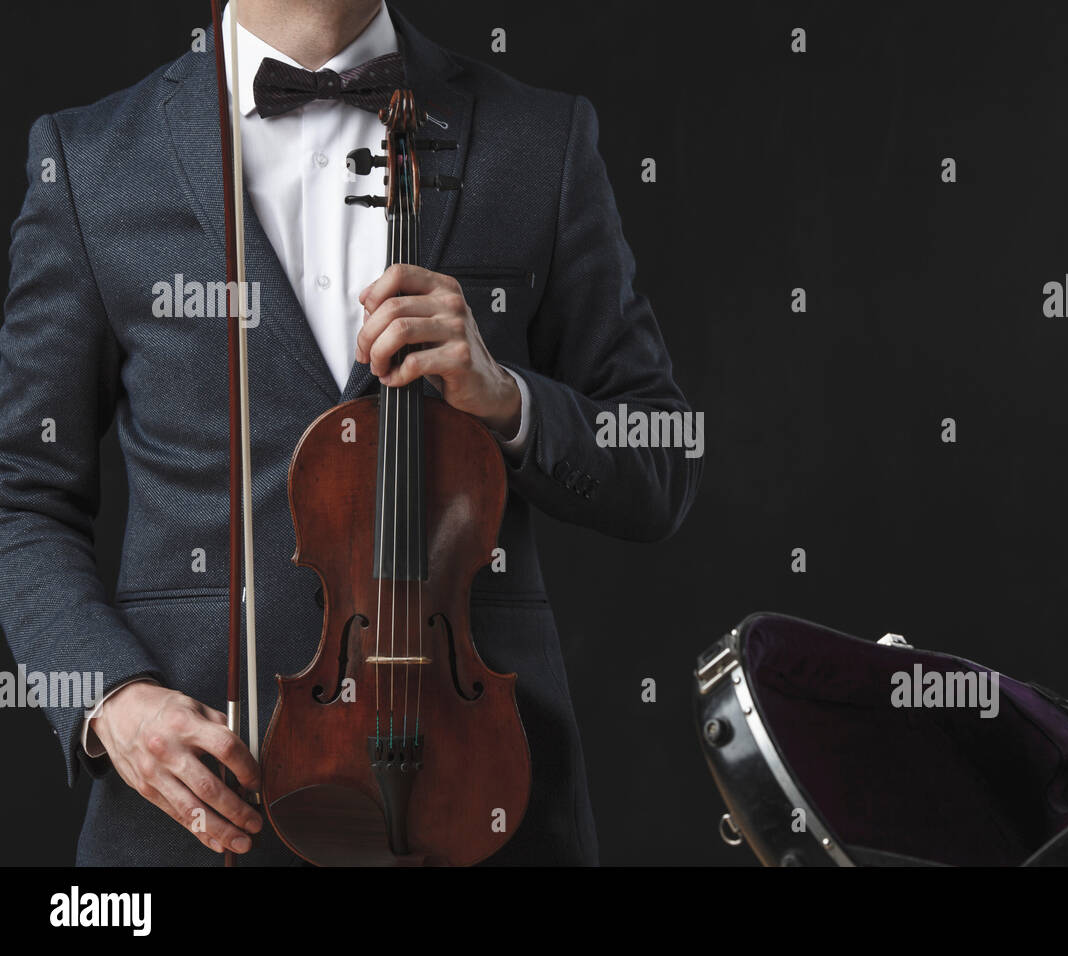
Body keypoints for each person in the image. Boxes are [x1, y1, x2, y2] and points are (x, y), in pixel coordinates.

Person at [0, 0, 700, 865]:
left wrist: (507, 396)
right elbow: (20, 497)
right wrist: (110, 699)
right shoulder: (93, 161)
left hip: (479, 797)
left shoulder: (539, 139)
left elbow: (660, 459)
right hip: (199, 813)